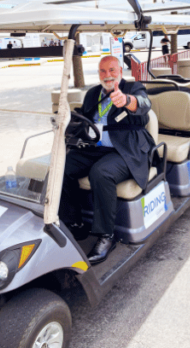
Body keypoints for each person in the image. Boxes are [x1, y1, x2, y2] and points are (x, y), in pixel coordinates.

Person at [60, 55, 153, 265]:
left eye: (112, 70)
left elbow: (145, 106)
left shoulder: (133, 88)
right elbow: (84, 119)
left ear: (120, 70)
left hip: (126, 150)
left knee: (100, 173)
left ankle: (106, 236)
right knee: (63, 166)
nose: (107, 75)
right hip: (96, 148)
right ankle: (74, 223)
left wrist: (128, 101)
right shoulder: (93, 93)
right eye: (103, 71)